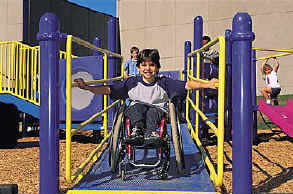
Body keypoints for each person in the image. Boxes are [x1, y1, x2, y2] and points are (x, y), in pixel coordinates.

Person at [74, 49, 218, 140]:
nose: (147, 68)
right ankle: (137, 130)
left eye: (151, 65)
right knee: (136, 108)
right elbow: (109, 90)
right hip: (137, 109)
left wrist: (208, 84)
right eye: (144, 65)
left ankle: (151, 133)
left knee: (153, 112)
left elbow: (187, 84)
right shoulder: (131, 82)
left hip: (157, 110)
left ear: (157, 67)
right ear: (138, 68)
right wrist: (88, 87)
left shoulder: (164, 82)